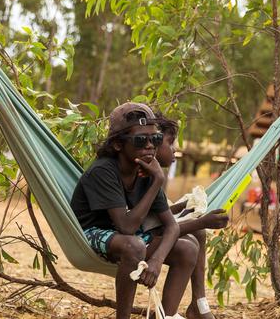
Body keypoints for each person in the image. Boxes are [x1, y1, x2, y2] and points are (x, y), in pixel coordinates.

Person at [70, 103, 198, 319]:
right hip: (90, 234)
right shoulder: (104, 170)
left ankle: (162, 316)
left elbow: (171, 225)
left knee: (188, 250)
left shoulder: (147, 168)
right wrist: (158, 180)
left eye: (155, 139)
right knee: (134, 245)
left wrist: (156, 262)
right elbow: (127, 227)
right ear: (119, 144)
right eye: (140, 140)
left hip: (125, 237)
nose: (150, 146)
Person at [155, 113, 229, 319]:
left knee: (198, 231)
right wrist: (203, 220)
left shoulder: (151, 174)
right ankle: (170, 313)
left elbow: (156, 215)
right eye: (171, 142)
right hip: (135, 239)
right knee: (192, 241)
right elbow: (152, 225)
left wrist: (182, 206)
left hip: (146, 231)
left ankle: (199, 303)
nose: (175, 148)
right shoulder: (149, 175)